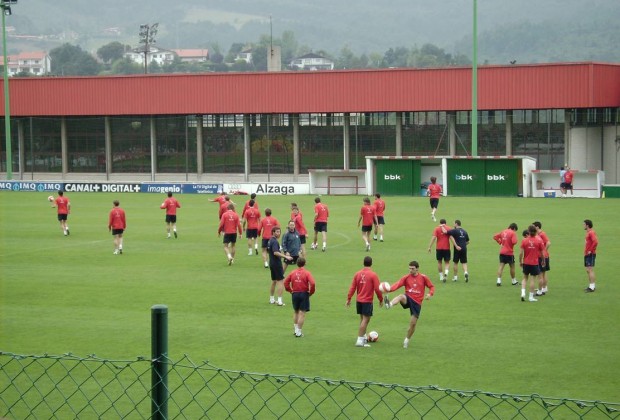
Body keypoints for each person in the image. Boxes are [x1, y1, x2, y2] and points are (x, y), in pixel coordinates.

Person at [385, 260, 435, 349]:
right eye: (409, 268)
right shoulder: (406, 277)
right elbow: (397, 284)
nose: (410, 270)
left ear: (417, 269)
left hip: (417, 303)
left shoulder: (423, 278)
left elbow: (431, 286)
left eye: (412, 269)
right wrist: (389, 289)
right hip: (408, 298)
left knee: (412, 324)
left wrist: (430, 294)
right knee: (401, 296)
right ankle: (389, 304)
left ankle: (406, 340)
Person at [346, 256, 384, 347]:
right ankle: (359, 340)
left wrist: (349, 298)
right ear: (371, 263)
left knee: (362, 319)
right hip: (367, 300)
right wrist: (381, 299)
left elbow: (352, 287)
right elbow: (377, 289)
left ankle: (363, 338)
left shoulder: (357, 274)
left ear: (363, 263)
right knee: (366, 320)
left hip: (359, 300)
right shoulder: (373, 275)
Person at [284, 257, 316, 337]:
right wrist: (311, 292)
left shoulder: (292, 272)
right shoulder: (307, 273)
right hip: (304, 294)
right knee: (302, 313)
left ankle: (295, 330)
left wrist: (290, 290)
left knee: (296, 311)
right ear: (304, 263)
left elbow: (285, 282)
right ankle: (299, 332)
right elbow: (312, 283)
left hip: (295, 294)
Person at [519, 225, 546, 302]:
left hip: (526, 262)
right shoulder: (539, 241)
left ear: (528, 231)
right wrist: (543, 260)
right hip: (534, 263)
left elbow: (521, 253)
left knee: (524, 278)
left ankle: (523, 293)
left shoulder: (524, 240)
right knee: (532, 279)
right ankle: (531, 297)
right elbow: (541, 253)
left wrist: (520, 261)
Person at [268, 226, 292, 306]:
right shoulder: (274, 241)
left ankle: (271, 299)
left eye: (279, 232)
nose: (279, 233)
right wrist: (286, 257)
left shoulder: (270, 240)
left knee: (274, 281)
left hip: (271, 263)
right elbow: (275, 252)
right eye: (277, 232)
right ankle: (280, 300)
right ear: (273, 232)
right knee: (280, 281)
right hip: (276, 264)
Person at [427, 218, 451, 282]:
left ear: (440, 223)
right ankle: (446, 273)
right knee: (447, 262)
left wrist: (429, 247)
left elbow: (434, 238)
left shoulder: (437, 228)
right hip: (447, 248)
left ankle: (441, 276)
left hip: (439, 248)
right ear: (445, 223)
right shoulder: (449, 228)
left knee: (439, 262)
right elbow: (452, 237)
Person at [533, 221, 551, 296]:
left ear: (537, 227)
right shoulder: (538, 234)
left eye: (534, 226)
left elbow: (549, 243)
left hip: (542, 257)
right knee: (543, 273)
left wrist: (544, 250)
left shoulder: (542, 234)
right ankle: (544, 288)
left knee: (541, 274)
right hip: (543, 256)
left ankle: (541, 289)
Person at [583, 219, 598, 293]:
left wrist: (590, 250)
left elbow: (596, 242)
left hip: (590, 254)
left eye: (584, 224)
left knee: (590, 269)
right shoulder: (588, 232)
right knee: (588, 270)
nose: (583, 225)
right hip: (587, 254)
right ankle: (591, 285)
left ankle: (592, 287)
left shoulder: (591, 232)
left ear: (587, 225)